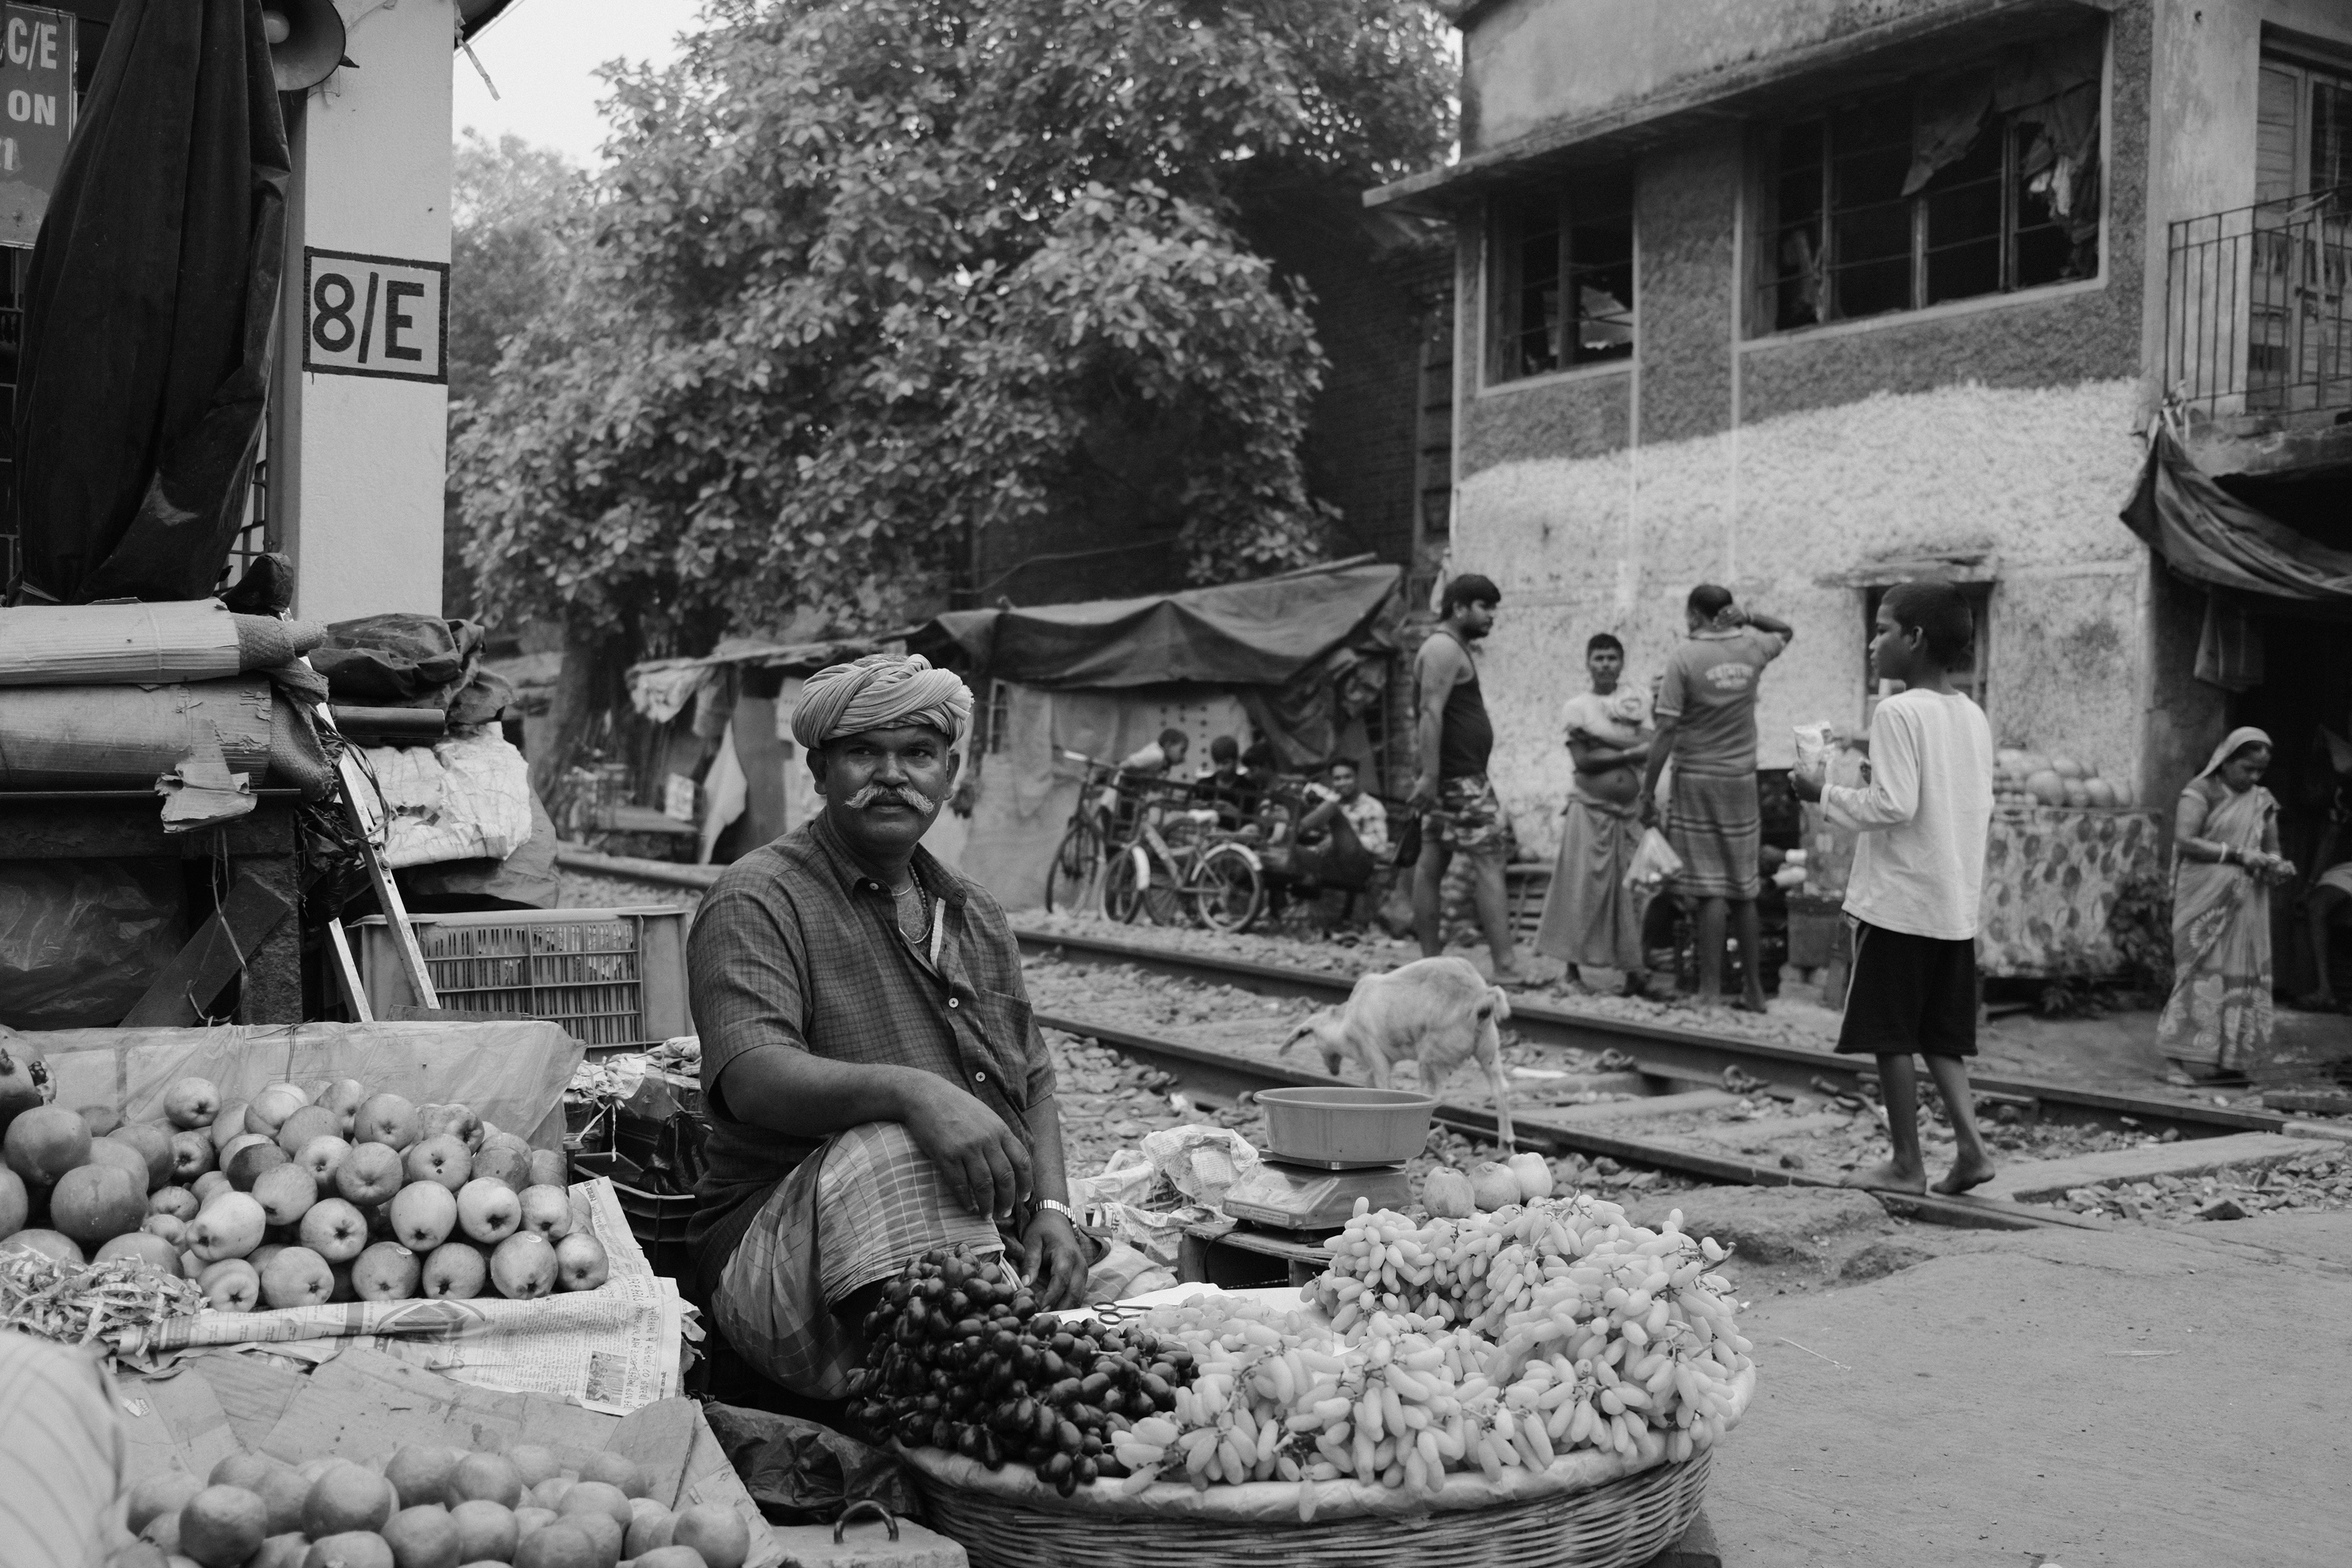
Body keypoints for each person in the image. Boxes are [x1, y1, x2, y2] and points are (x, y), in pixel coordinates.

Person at [687, 652, 1091, 1403]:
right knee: (900, 1144)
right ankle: (950, 1391)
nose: (892, 775)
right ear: (819, 769)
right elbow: (752, 1077)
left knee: (1157, 1304)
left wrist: (1055, 1212)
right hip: (781, 1260)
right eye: (863, 753)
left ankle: (995, 1352)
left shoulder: (975, 912)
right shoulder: (756, 897)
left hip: (971, 1244)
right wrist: (913, 1094)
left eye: (917, 754)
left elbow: (1031, 1078)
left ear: (950, 772)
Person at [1792, 582, 1996, 1195]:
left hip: (1900, 903)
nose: (1872, 641)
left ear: (1915, 639)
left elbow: (1894, 804)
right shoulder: (1971, 714)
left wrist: (1820, 793)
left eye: (1883, 629)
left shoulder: (1898, 710)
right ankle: (1972, 1148)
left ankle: (1907, 1161)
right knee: (1939, 1036)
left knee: (1891, 1035)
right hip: (1951, 902)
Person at [1640, 584, 1795, 1009]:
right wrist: (1748, 615)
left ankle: (1709, 992)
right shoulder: (1753, 648)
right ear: (1726, 613)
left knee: (1710, 888)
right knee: (1743, 887)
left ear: (1693, 615)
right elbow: (1786, 631)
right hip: (1743, 780)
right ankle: (1755, 992)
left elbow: (1666, 730)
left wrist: (1647, 789)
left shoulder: (1684, 658)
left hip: (1698, 779)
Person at [2159, 728, 2296, 1082]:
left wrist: (2277, 864)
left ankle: (2231, 1061)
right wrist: (2237, 854)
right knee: (2196, 972)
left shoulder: (2262, 800)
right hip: (2203, 897)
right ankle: (2176, 1060)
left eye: (2259, 772)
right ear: (2226, 761)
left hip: (2246, 899)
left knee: (2243, 975)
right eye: (2246, 769)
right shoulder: (2199, 792)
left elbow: (2272, 846)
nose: (2252, 778)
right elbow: (2186, 841)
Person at [1409, 574, 1525, 982]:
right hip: (1459, 778)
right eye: (1484, 607)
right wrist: (1432, 775)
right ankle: (1506, 967)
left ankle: (1429, 965)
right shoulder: (1443, 648)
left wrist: (1430, 776)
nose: (1491, 616)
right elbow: (1430, 712)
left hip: (1450, 775)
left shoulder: (1450, 648)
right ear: (1459, 608)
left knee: (1432, 862)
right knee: (1490, 858)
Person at [1535, 633, 1651, 993]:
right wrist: (1627, 751)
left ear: (1622, 662)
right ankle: (1572, 971)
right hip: (1589, 810)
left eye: (1612, 658)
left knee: (1633, 889)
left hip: (1628, 812)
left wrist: (1601, 741)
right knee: (1581, 886)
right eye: (1599, 658)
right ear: (1587, 663)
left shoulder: (1635, 702)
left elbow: (1651, 745)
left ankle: (1633, 972)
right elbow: (1583, 761)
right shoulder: (1577, 707)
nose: (1605, 665)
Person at [1287, 758, 1389, 922]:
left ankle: (1291, 832)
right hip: (1333, 867)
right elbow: (1310, 791)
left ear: (1357, 778)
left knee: (1332, 807)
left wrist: (1336, 840)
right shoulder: (1334, 798)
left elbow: (1379, 846)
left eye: (1348, 777)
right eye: (1337, 779)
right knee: (1290, 851)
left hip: (1358, 866)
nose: (1343, 783)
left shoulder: (1372, 806)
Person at [2294, 783, 2351, 1011]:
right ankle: (2324, 990)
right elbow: (2329, 841)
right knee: (2315, 906)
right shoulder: (2342, 797)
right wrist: (2310, 886)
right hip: (2345, 869)